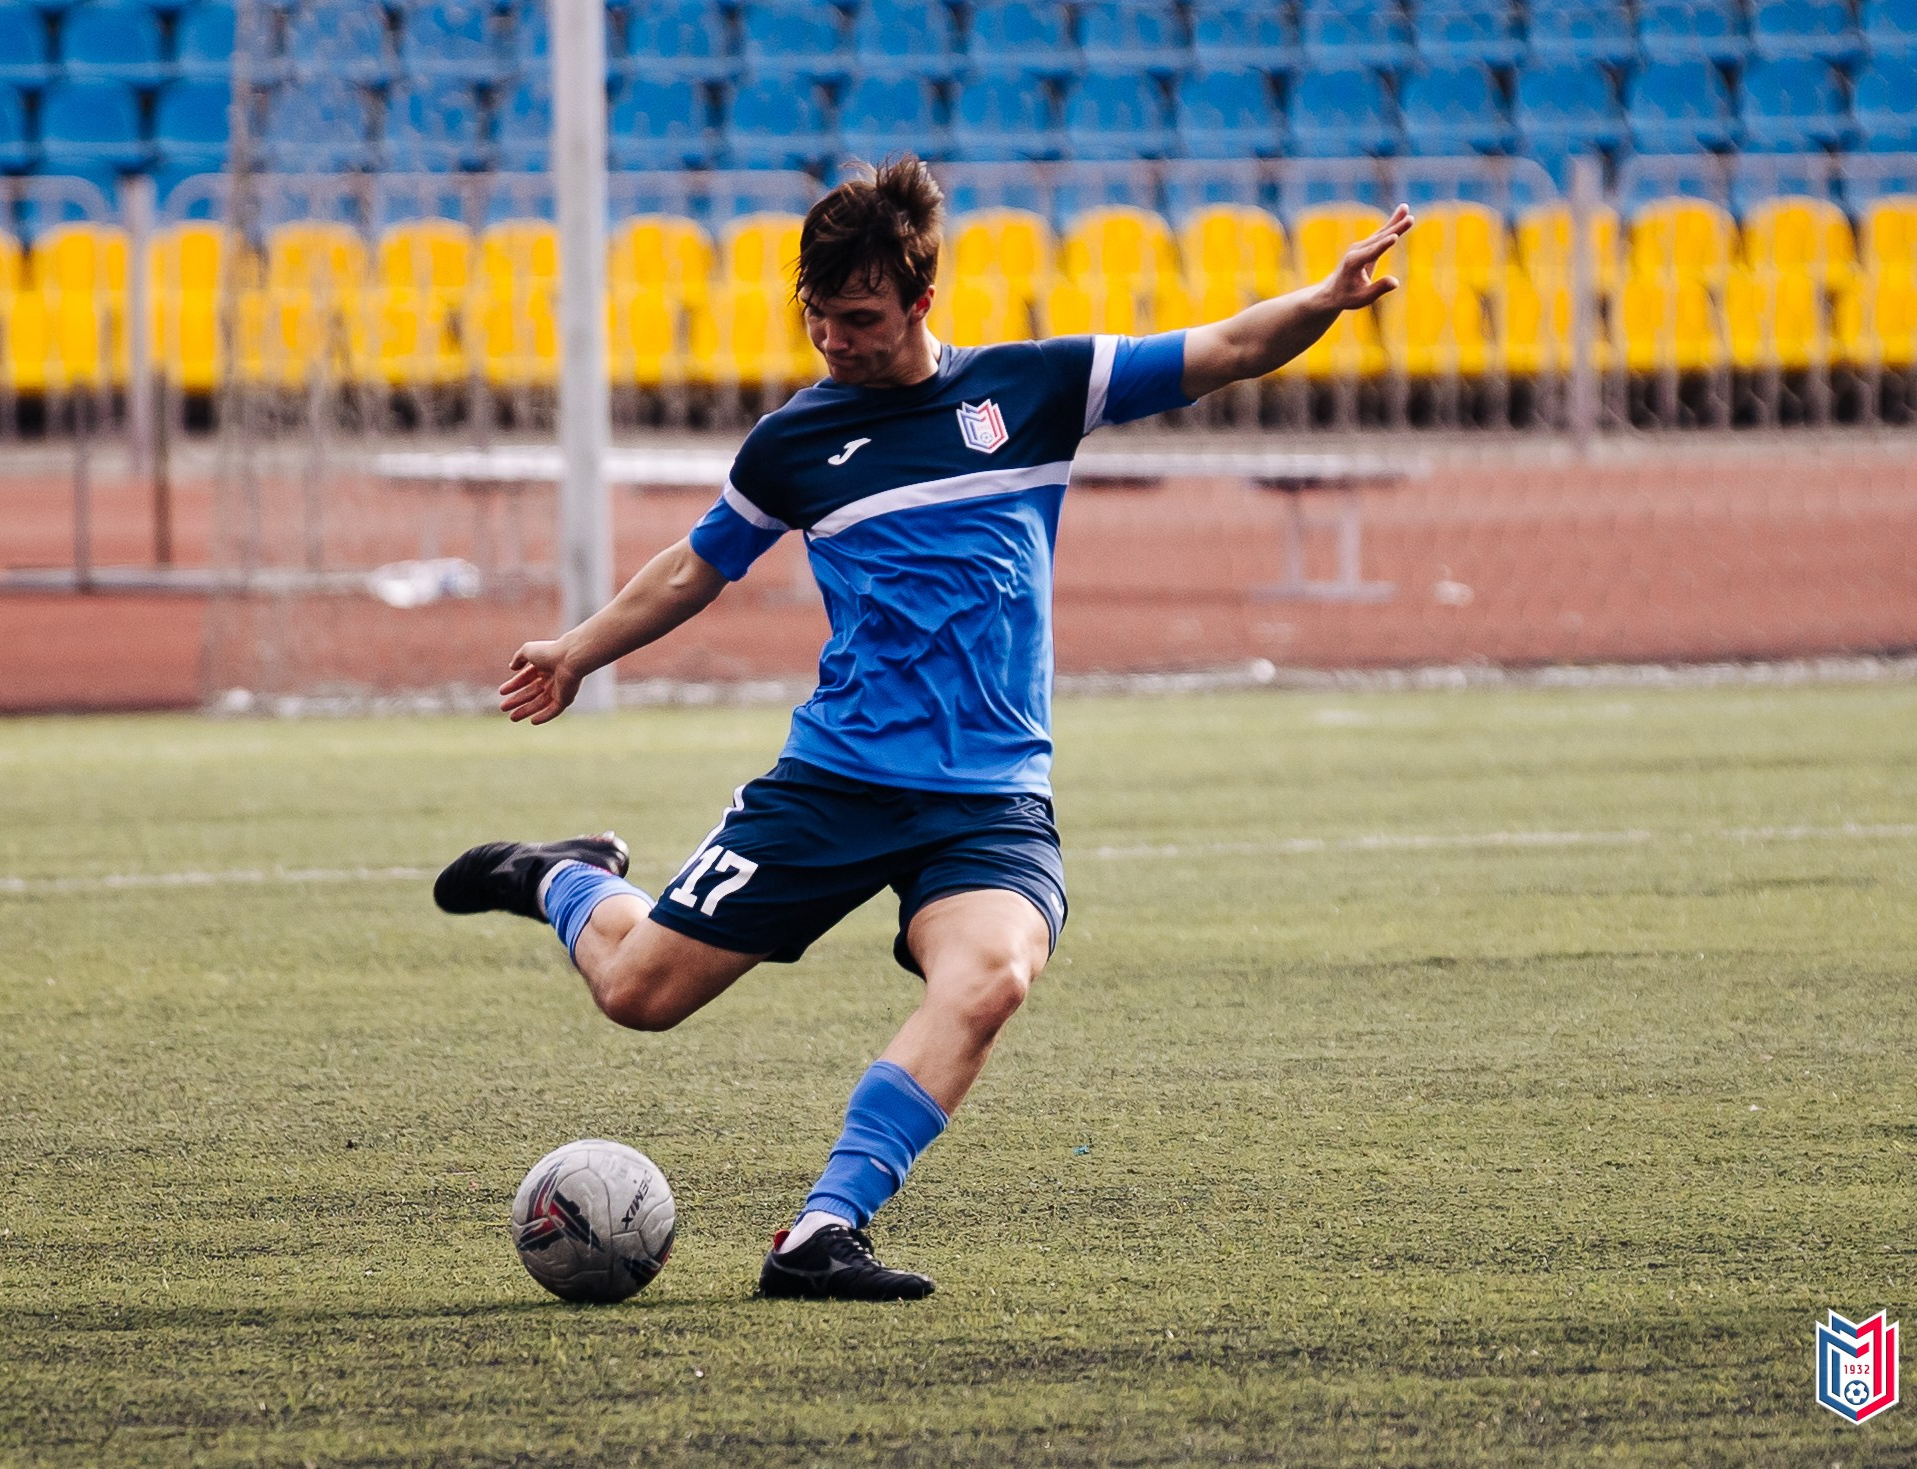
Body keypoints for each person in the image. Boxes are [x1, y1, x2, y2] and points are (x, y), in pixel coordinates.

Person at [437, 157, 1411, 1300]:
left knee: (993, 974)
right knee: (639, 993)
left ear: (918, 304)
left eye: (855, 319)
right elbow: (695, 567)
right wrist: (575, 649)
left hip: (990, 799)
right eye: (816, 316)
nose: (832, 341)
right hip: (836, 779)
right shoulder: (793, 444)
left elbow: (1225, 348)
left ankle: (821, 1230)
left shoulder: (1035, 390)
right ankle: (564, 876)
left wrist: (1322, 301)